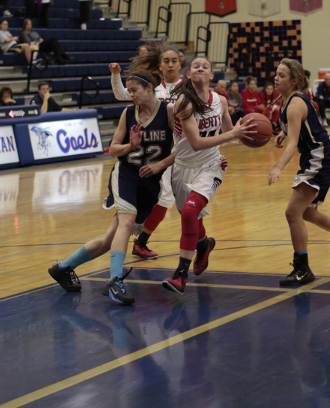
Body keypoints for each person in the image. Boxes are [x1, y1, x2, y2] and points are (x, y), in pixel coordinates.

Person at [48, 70, 175, 305]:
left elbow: (182, 148)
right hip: (126, 175)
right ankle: (115, 281)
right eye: (128, 90)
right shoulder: (128, 113)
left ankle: (63, 268)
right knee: (127, 223)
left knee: (110, 240)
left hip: (151, 181)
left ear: (149, 88)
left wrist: (160, 165)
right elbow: (113, 149)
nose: (130, 94)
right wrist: (130, 144)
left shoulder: (168, 111)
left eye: (134, 89)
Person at [161, 56, 256, 294]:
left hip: (212, 164)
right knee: (193, 219)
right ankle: (204, 245)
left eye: (205, 66)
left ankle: (180, 275)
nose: (200, 68)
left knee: (190, 212)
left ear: (212, 75)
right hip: (183, 167)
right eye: (196, 66)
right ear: (190, 75)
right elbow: (195, 143)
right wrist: (233, 134)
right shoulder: (184, 102)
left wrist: (250, 134)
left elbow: (228, 131)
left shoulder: (221, 100)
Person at [269, 58, 330, 287]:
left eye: (282, 75)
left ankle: (303, 269)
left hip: (319, 157)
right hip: (317, 156)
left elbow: (293, 143)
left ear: (294, 81)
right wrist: (283, 133)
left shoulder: (294, 104)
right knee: (307, 213)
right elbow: (298, 130)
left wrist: (277, 166)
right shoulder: (286, 101)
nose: (276, 77)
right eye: (276, 73)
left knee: (292, 212)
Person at [109, 44, 183, 259]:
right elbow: (122, 93)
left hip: (177, 152)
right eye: (166, 61)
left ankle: (139, 238)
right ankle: (139, 240)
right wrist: (116, 76)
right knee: (165, 200)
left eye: (174, 60)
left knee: (179, 202)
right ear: (159, 66)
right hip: (151, 157)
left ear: (180, 63)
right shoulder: (151, 88)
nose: (170, 64)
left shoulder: (187, 88)